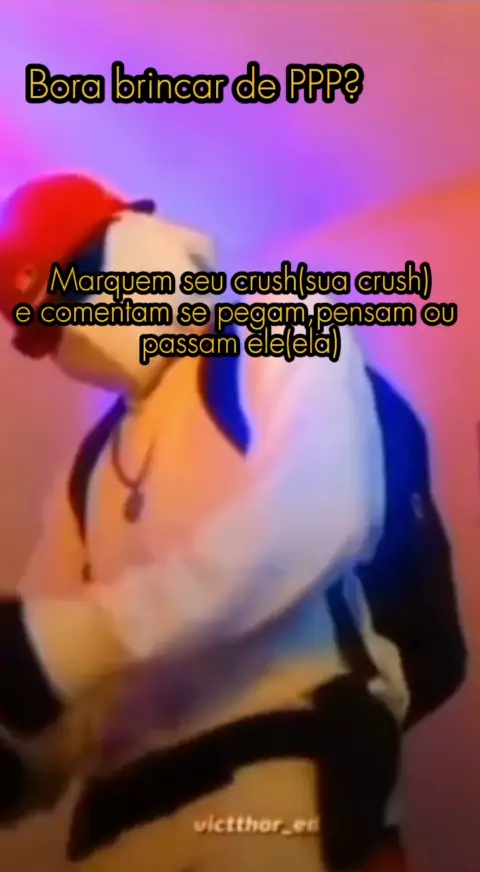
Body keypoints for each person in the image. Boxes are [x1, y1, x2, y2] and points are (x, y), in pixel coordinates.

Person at [0, 173, 461, 872]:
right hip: (116, 827)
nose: (82, 331)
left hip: (274, 780)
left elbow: (307, 524)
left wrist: (71, 642)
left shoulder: (284, 331)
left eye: (81, 285)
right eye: (49, 327)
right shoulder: (87, 468)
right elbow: (45, 670)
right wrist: (24, 758)